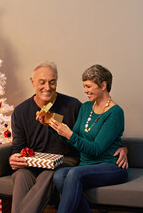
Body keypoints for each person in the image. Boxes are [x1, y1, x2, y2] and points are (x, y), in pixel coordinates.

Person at [9, 62, 128, 213]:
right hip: (38, 162)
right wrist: (14, 157)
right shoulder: (86, 107)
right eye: (42, 82)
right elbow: (18, 147)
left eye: (52, 82)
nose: (47, 87)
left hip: (66, 161)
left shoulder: (74, 105)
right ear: (33, 82)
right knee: (22, 175)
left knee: (55, 173)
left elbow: (100, 141)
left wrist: (123, 147)